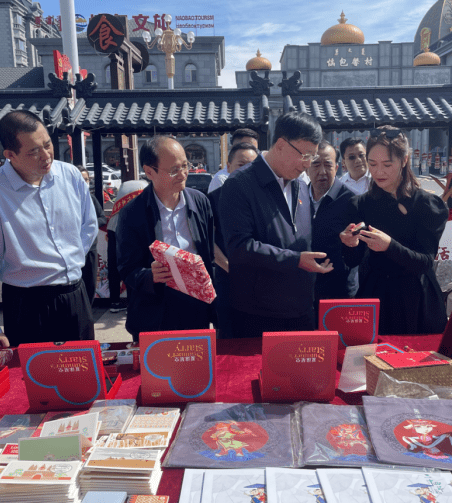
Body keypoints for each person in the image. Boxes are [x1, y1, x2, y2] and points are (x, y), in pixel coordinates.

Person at [0, 110, 97, 347]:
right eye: (34, 151)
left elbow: (88, 226)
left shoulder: (69, 175)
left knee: (84, 374)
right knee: (35, 381)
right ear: (10, 155)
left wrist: (69, 262)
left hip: (75, 297)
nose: (46, 155)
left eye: (47, 144)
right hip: (28, 305)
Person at [219, 111, 333, 338]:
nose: (307, 164)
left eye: (312, 157)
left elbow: (304, 237)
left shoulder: (300, 184)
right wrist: (296, 260)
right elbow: (240, 248)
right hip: (257, 315)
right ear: (281, 145)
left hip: (300, 310)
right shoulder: (240, 184)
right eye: (305, 155)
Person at [340, 126, 448, 335]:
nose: (379, 172)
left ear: (404, 160)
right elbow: (353, 261)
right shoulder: (360, 204)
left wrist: (389, 246)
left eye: (387, 164)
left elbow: (425, 261)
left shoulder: (426, 204)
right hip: (376, 295)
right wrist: (349, 245)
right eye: (372, 164)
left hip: (416, 299)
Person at [116, 136, 215, 340]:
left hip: (196, 304)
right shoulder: (132, 213)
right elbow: (126, 269)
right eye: (173, 170)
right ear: (149, 171)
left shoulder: (200, 202)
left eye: (185, 166)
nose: (183, 174)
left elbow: (211, 253)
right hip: (156, 310)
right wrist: (150, 276)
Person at [209, 141, 259, 338]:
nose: (246, 170)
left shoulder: (263, 199)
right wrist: (231, 267)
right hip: (227, 278)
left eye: (252, 166)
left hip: (259, 282)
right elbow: (208, 239)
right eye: (241, 165)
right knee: (228, 336)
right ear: (228, 167)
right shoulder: (213, 199)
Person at [307, 141, 356, 305]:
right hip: (303, 291)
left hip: (338, 292)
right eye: (315, 164)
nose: (322, 172)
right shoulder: (296, 197)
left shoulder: (351, 201)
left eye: (328, 165)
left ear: (337, 167)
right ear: (307, 167)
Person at [106, 179, 148, 312]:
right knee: (132, 264)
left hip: (113, 227)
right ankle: (131, 301)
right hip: (128, 229)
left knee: (113, 266)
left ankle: (115, 302)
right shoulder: (144, 188)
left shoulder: (125, 188)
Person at [76, 165, 107, 304]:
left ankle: (88, 312)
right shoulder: (67, 199)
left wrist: (90, 224)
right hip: (73, 250)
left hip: (91, 249)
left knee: (90, 283)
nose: (84, 182)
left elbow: (102, 218)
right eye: (81, 179)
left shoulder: (91, 199)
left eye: (87, 179)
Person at [207, 128, 260, 193]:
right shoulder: (220, 180)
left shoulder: (259, 178)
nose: (250, 151)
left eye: (254, 149)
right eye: (246, 146)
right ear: (233, 148)